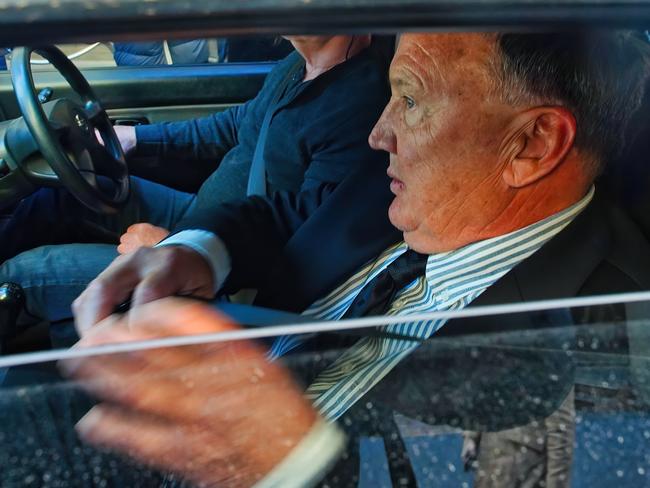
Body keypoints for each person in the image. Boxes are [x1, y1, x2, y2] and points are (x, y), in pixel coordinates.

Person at [65, 30, 650, 485]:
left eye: (412, 99)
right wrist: (192, 251)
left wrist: (290, 468)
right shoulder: (409, 186)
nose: (379, 132)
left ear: (533, 143)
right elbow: (283, 216)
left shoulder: (610, 340)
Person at [0, 35, 391, 334]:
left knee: (21, 275)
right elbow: (241, 124)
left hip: (225, 277)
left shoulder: (359, 104)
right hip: (200, 215)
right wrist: (137, 139)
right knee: (59, 195)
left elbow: (312, 242)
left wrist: (176, 248)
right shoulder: (298, 64)